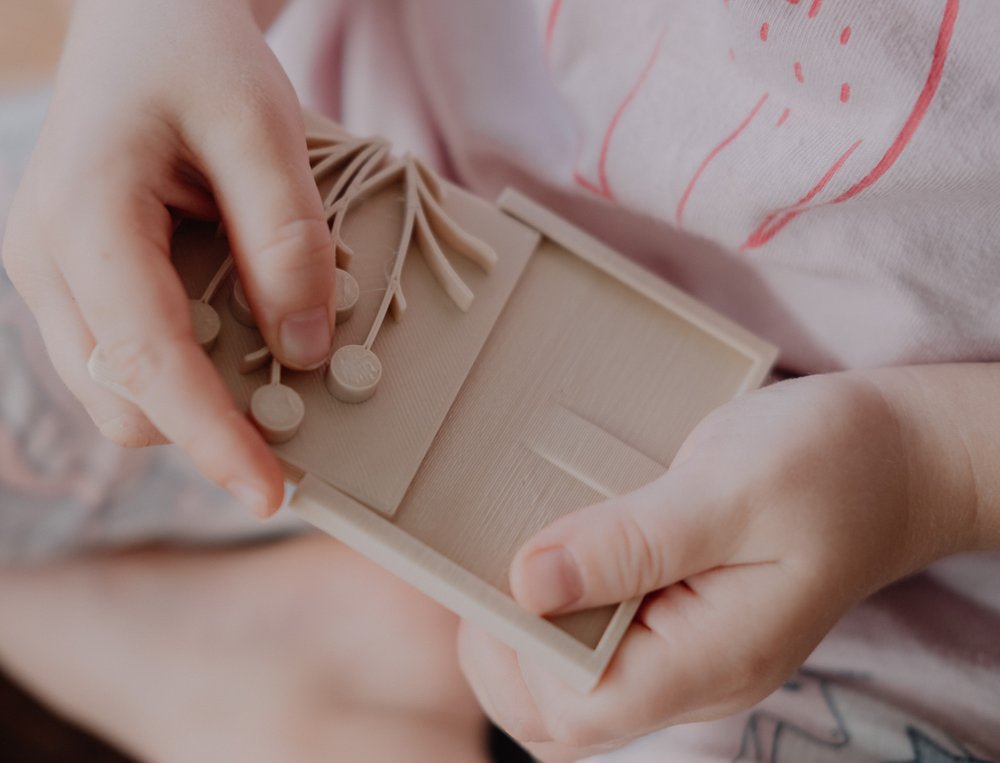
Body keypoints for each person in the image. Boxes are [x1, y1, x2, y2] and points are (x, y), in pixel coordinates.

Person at [1, 0, 999, 760]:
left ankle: (297, 675)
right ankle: (249, 658)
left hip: (897, 547)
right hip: (301, 199)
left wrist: (929, 466)